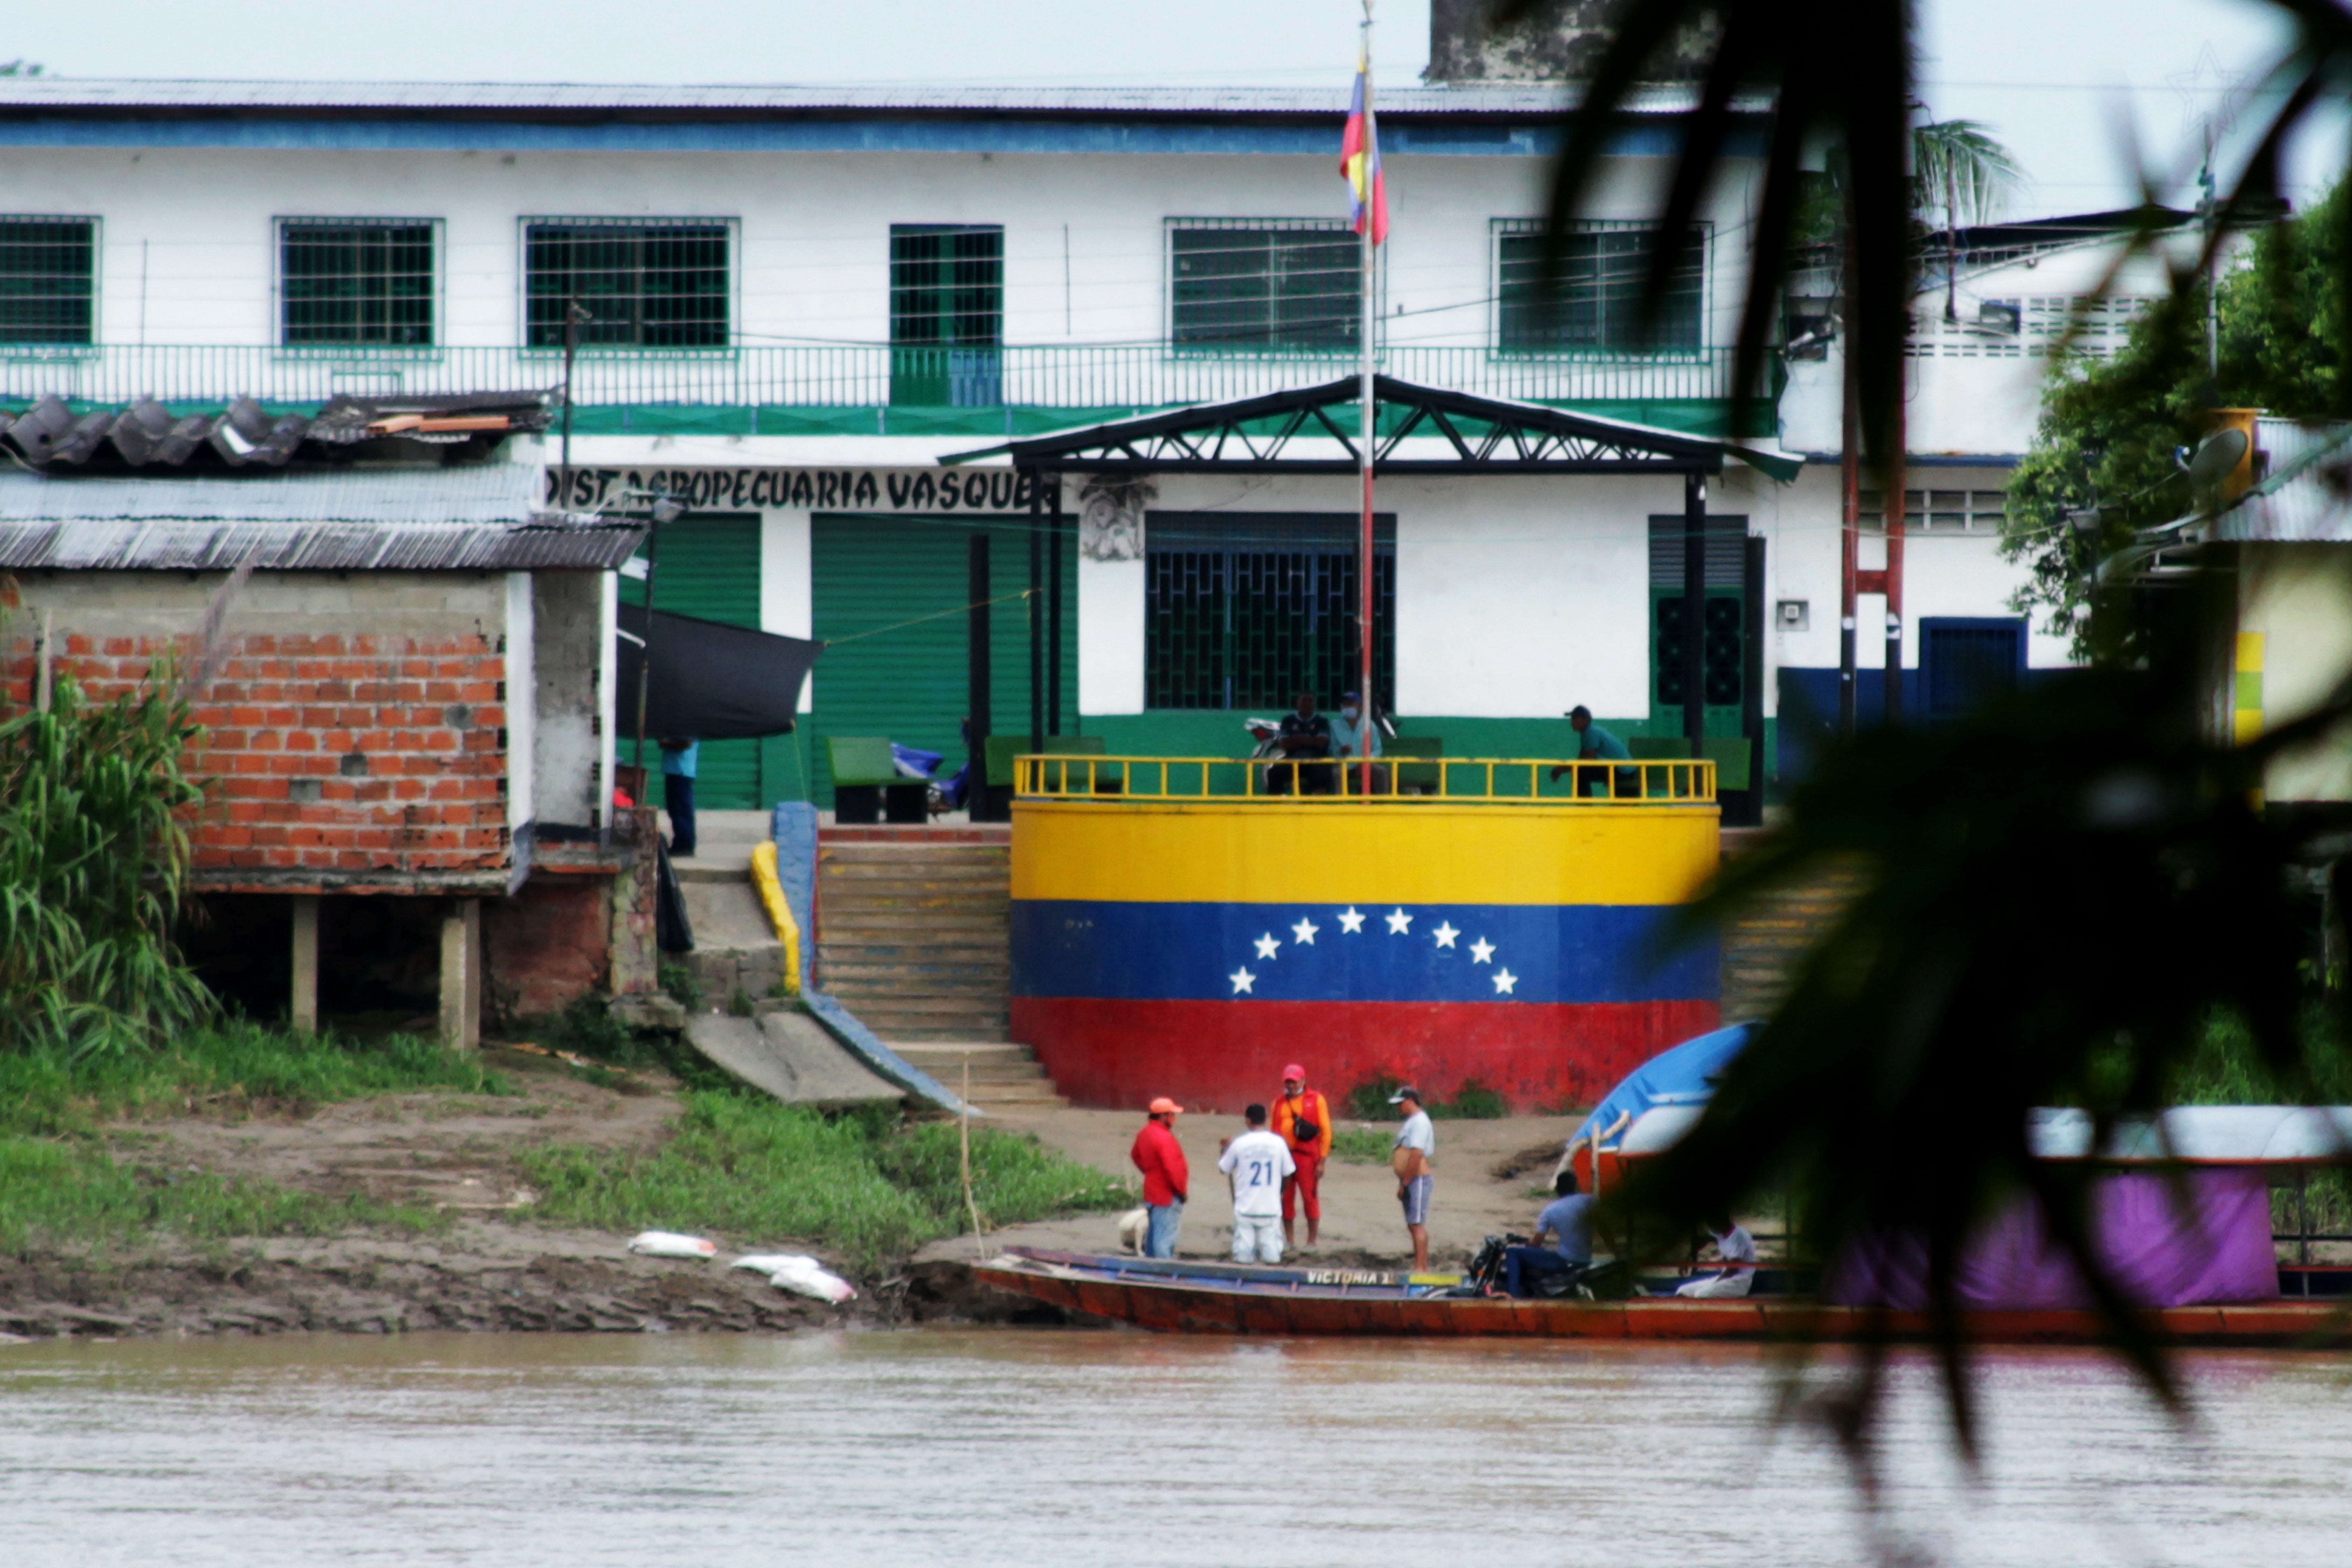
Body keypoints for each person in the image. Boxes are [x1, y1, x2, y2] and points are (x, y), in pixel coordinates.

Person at [1217, 1104, 1296, 1264]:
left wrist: (1225, 1149)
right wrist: (1280, 1192)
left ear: (1248, 1120)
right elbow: (1288, 1173)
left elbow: (1224, 1168)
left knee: (1243, 1257)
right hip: (1270, 1208)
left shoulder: (1239, 1143)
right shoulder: (1278, 1143)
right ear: (1266, 1120)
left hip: (1246, 1208)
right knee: (1272, 1256)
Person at [1502, 1170, 1596, 1298]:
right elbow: (1605, 1230)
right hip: (1586, 1260)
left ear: (1557, 1188)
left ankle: (1513, 1295)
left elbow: (1536, 1243)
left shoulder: (1551, 1210)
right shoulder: (1590, 1202)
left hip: (1566, 1261)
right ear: (1576, 1186)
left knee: (1513, 1252)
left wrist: (1525, 1242)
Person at [1271, 1063, 1332, 1252]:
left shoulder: (1317, 1100)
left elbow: (1327, 1132)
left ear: (1303, 1081)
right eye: (1288, 1082)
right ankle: (1289, 1240)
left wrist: (1322, 1161)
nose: (1291, 1086)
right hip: (1285, 1157)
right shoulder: (1278, 1103)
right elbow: (1273, 1131)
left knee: (1310, 1198)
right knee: (1285, 1198)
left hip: (1308, 1157)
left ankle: (1312, 1241)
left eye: (1294, 1082)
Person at [1129, 1097, 1190, 1259]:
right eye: (1172, 1115)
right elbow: (1174, 1170)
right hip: (1167, 1196)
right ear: (1164, 1117)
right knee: (1164, 1240)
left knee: (1153, 1237)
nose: (1174, 1119)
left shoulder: (1145, 1133)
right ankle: (1163, 1277)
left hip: (1151, 1192)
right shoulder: (1164, 1138)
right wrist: (1182, 1191)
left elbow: (1136, 1156)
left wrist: (1150, 1172)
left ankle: (1149, 1274)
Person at [1390, 1085, 1435, 1270]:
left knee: (1417, 1225)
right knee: (1413, 1224)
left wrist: (1406, 1183)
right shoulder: (1412, 1121)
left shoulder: (1420, 1123)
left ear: (1410, 1102)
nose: (1398, 1108)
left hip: (1417, 1180)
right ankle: (1420, 1265)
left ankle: (1420, 1267)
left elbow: (1416, 1155)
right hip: (1411, 1179)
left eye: (1401, 1104)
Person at [1548, 706, 1636, 798]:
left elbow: (1588, 760)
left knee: (1580, 771)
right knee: (1580, 769)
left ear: (1584, 720)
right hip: (1618, 769)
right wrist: (1563, 768)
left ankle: (1584, 807)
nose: (1572, 722)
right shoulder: (1587, 733)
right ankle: (1584, 804)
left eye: (1574, 719)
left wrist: (1561, 769)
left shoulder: (1591, 732)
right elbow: (1581, 759)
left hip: (1623, 772)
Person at [1674, 1214, 1758, 1298]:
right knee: (1683, 1291)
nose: (1712, 1229)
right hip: (1725, 1279)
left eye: (1713, 1226)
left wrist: (1716, 1282)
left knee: (1702, 1294)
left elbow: (1733, 1268)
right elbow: (1702, 1241)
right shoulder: (1720, 1233)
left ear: (1723, 1223)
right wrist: (1688, 1260)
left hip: (1739, 1282)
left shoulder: (1739, 1236)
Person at [1269, 691, 1335, 796]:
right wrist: (1310, 740)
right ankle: (1276, 805)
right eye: (1304, 700)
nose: (1307, 704)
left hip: (1316, 759)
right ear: (1298, 703)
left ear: (1314, 704)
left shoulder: (1322, 721)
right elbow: (1284, 743)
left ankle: (1319, 805)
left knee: (1324, 772)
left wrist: (1297, 739)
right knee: (1275, 772)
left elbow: (1321, 742)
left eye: (1310, 701)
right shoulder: (1288, 720)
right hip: (1293, 758)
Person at [1329, 690, 1386, 795]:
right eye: (1345, 704)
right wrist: (1341, 751)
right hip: (1345, 764)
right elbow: (1333, 749)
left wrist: (1365, 762)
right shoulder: (1335, 725)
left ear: (1360, 706)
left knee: (1381, 771)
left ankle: (1383, 803)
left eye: (1350, 704)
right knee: (1337, 772)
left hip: (1366, 763)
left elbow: (1377, 749)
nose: (1347, 707)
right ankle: (1342, 804)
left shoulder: (1369, 725)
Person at [659, 736, 700, 856]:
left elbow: (687, 744)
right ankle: (679, 842)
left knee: (682, 809)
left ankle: (685, 845)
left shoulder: (687, 726)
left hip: (682, 771)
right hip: (673, 770)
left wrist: (668, 744)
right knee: (674, 809)